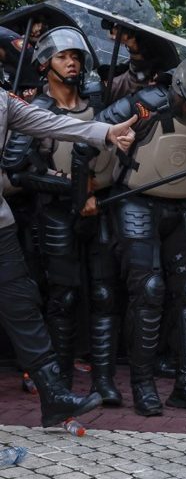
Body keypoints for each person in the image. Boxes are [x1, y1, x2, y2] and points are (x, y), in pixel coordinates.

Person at [96, 52, 186, 416]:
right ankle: (142, 384)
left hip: (182, 207)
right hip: (135, 201)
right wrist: (84, 192)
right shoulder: (144, 104)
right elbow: (94, 136)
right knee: (149, 291)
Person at [0, 83, 136, 428]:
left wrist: (105, 132)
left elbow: (52, 123)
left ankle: (54, 396)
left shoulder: (1, 100)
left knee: (23, 306)